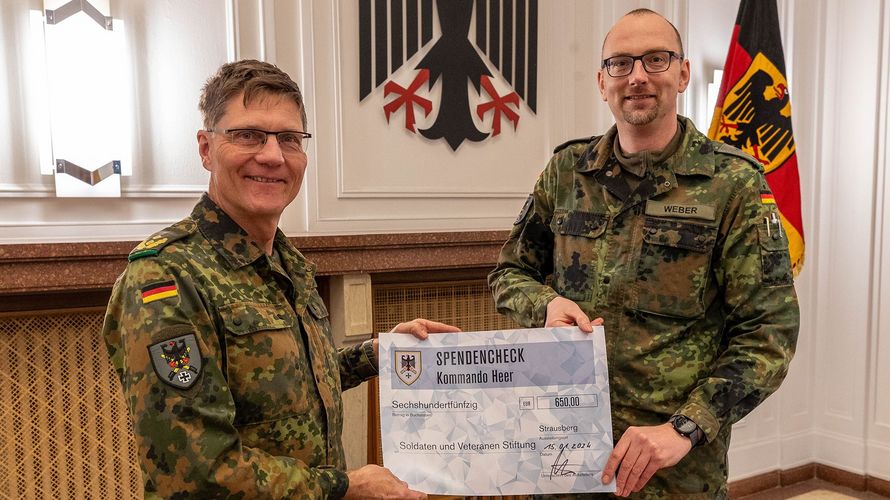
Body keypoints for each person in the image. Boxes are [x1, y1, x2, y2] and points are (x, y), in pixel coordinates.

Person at [102, 59, 459, 499]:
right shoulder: (166, 277)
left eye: (288, 138)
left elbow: (286, 385)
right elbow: (197, 472)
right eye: (248, 135)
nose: (272, 155)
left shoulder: (287, 264)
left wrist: (377, 355)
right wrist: (344, 486)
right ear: (206, 148)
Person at [489, 9, 799, 499]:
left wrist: (685, 427)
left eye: (655, 59)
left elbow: (769, 333)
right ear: (601, 80)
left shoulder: (733, 183)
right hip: (561, 454)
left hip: (673, 473)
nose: (637, 76)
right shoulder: (566, 171)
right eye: (620, 63)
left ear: (682, 72)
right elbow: (509, 272)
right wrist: (543, 304)